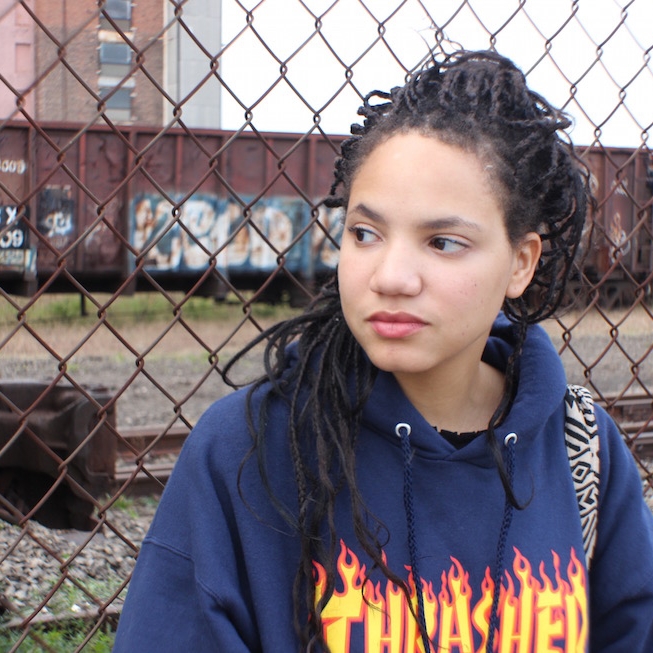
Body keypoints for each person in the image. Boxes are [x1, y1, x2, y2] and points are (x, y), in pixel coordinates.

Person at [112, 50, 653, 652]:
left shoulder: (583, 453)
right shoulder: (247, 451)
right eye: (365, 233)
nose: (390, 276)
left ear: (521, 263)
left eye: (442, 242)